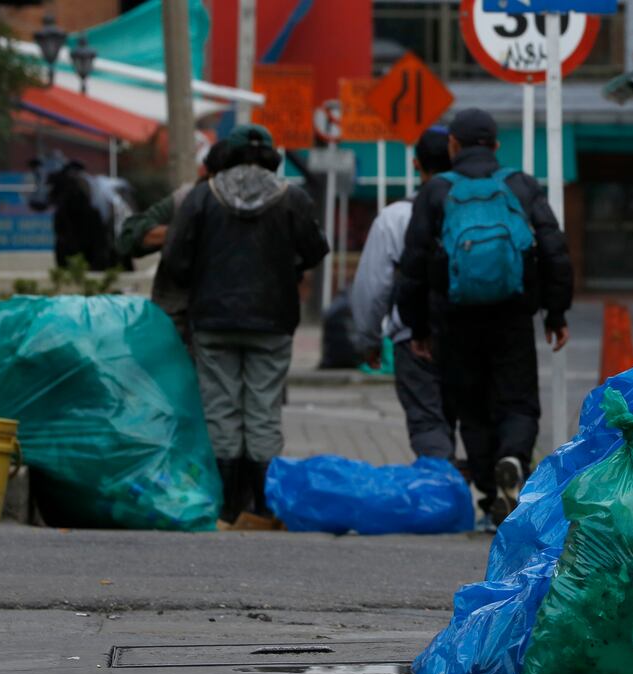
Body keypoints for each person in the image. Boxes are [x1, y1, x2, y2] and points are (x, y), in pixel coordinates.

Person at [398, 108, 573, 527]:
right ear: (495, 145)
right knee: (517, 400)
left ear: (453, 145)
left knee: (470, 406)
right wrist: (555, 312)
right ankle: (513, 458)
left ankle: (490, 490)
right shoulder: (519, 185)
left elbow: (413, 266)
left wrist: (417, 327)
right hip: (512, 315)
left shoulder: (437, 190)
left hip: (453, 320)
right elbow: (554, 250)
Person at [163, 124, 329, 526]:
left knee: (221, 410)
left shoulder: (202, 197)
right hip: (272, 320)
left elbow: (175, 260)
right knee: (263, 411)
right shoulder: (293, 198)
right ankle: (263, 504)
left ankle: (225, 505)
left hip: (213, 319)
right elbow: (315, 249)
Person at [350, 127, 455, 460]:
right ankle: (498, 481)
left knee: (428, 423)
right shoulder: (483, 207)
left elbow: (373, 285)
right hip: (476, 335)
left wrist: (368, 340)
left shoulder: (396, 216)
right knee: (478, 421)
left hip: (413, 338)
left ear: (415, 164)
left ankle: (443, 492)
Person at [117, 143, 228, 347]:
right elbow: (129, 237)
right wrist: (183, 231)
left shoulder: (269, 202)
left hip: (233, 321)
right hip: (182, 320)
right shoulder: (186, 199)